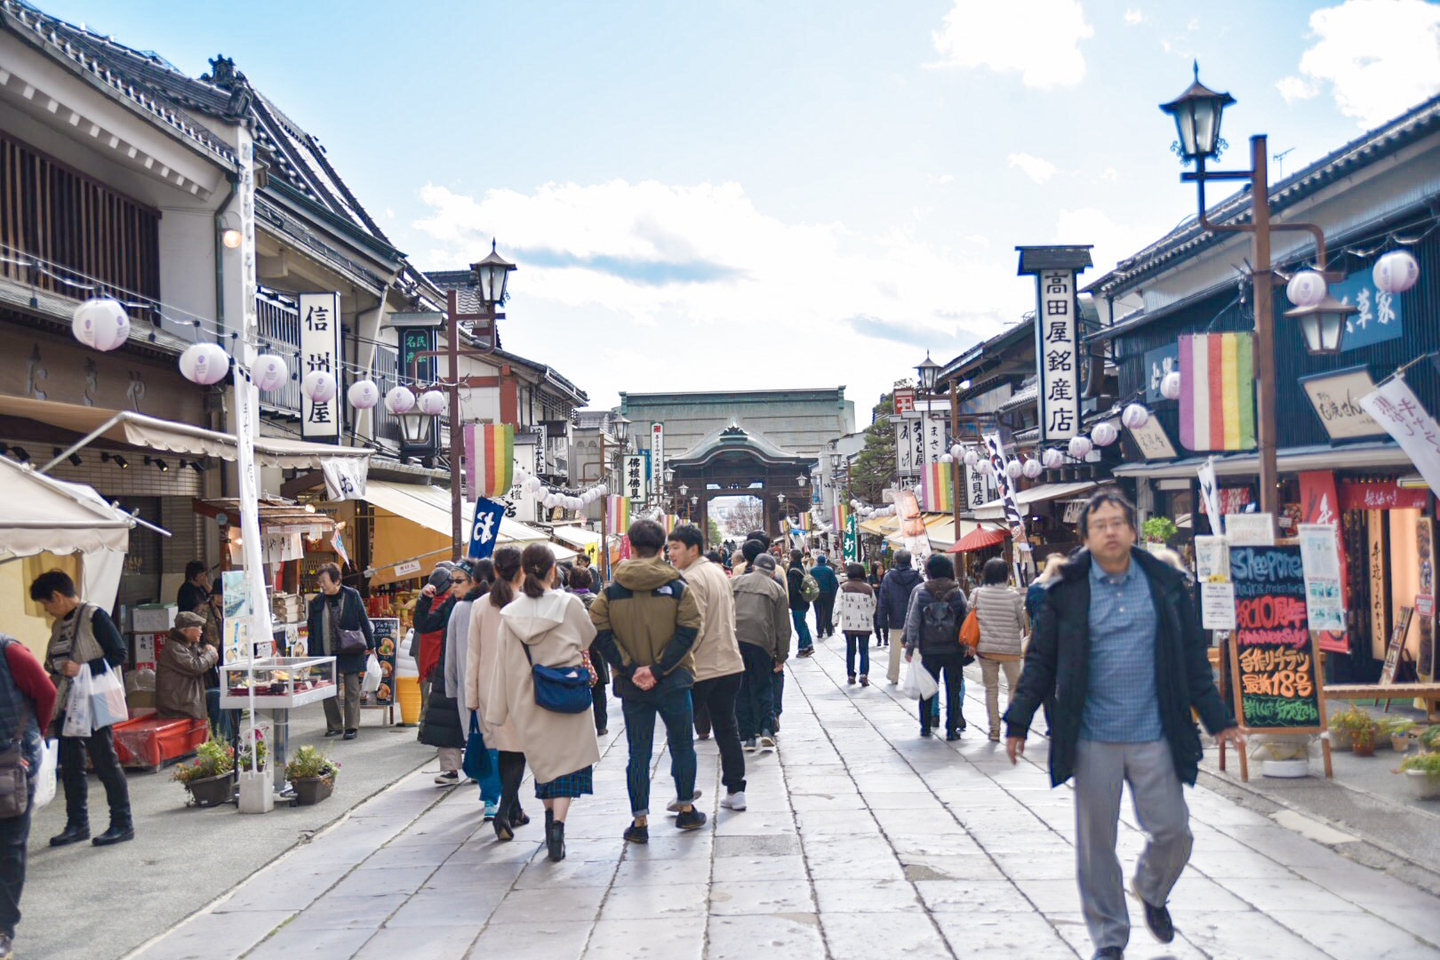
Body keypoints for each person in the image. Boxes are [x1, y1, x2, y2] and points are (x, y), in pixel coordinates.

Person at [1004, 492, 1242, 960]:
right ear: (1085, 537)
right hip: (1093, 737)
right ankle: (1109, 937)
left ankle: (1152, 888)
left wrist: (1219, 718)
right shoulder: (1066, 592)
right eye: (1100, 525)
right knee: (1097, 845)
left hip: (1155, 732)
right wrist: (1018, 720)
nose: (1110, 531)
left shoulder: (1165, 584)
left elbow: (1192, 659)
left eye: (1118, 523)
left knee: (1175, 831)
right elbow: (1042, 661)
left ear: (1133, 531)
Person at [590, 519, 706, 844]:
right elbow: (690, 629)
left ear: (631, 544)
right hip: (674, 680)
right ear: (661, 546)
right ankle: (686, 808)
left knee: (638, 753)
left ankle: (639, 821)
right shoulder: (678, 587)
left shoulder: (612, 591)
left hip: (632, 687)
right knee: (682, 745)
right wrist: (659, 668)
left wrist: (630, 668)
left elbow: (598, 630)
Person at [487, 544, 599, 861]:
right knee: (569, 765)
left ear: (523, 572)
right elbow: (587, 637)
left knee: (546, 765)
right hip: (568, 693)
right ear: (553, 571)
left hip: (529, 700)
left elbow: (501, 664)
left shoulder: (510, 614)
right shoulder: (569, 604)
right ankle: (558, 825)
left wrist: (497, 711)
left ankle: (550, 818)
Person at [30, 570, 132, 847]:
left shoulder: (94, 616)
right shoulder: (59, 625)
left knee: (105, 762)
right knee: (72, 766)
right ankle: (77, 824)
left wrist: (83, 668)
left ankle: (122, 823)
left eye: (46, 604)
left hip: (94, 700)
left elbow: (119, 653)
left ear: (57, 596)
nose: (47, 610)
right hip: (67, 704)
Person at [667, 524, 747, 811]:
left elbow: (694, 627)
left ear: (693, 549)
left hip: (702, 666)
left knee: (679, 730)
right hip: (729, 661)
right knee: (727, 727)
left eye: (676, 547)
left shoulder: (690, 578)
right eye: (669, 547)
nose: (670, 553)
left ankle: (685, 788)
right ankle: (736, 790)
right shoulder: (717, 572)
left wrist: (674, 660)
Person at [466, 547, 532, 842]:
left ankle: (515, 810)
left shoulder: (480, 605)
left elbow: (473, 654)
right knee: (517, 751)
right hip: (518, 686)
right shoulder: (527, 604)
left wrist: (471, 697)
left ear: (495, 571)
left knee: (505, 750)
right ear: (522, 571)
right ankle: (504, 812)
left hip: (487, 689)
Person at [0, 632, 56, 959]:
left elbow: (46, 693)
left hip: (11, 763)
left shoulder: (10, 651)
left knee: (9, 844)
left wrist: (33, 736)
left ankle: (3, 928)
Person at [902, 553, 969, 740]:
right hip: (954, 649)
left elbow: (914, 622)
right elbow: (966, 620)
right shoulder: (958, 593)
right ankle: (951, 729)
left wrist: (910, 647)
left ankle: (925, 726)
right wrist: (967, 645)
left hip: (929, 649)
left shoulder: (922, 592)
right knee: (953, 689)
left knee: (927, 688)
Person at [422, 565, 476, 793]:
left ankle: (477, 767)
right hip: (448, 665)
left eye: (458, 581)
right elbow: (425, 625)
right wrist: (424, 600)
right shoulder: (451, 603)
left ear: (473, 581)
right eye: (452, 581)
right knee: (445, 719)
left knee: (475, 721)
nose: (453, 586)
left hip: (474, 667)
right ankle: (450, 769)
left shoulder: (484, 604)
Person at [306, 563, 374, 740]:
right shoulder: (317, 602)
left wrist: (371, 645)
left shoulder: (352, 595)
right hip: (325, 650)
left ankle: (351, 726)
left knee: (352, 689)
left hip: (350, 648)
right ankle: (334, 725)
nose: (321, 584)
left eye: (324, 581)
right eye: (320, 581)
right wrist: (311, 656)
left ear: (336, 581)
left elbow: (363, 620)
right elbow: (311, 630)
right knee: (328, 690)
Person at [732, 552, 789, 752]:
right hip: (762, 642)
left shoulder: (734, 582)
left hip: (736, 640)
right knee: (763, 686)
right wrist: (781, 656)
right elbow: (783, 628)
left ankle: (748, 736)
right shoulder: (777, 589)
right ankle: (766, 729)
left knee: (741, 688)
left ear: (754, 567)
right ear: (772, 573)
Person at [970, 557, 1029, 743]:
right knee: (1014, 687)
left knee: (991, 689)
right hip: (1010, 649)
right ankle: (1012, 727)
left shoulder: (977, 594)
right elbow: (1021, 622)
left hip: (985, 649)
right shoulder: (1013, 596)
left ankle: (994, 730)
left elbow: (969, 617)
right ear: (1006, 574)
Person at [413, 563, 457, 726]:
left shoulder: (427, 599)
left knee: (428, 695)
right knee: (439, 697)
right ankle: (427, 724)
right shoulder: (449, 604)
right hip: (442, 658)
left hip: (425, 657)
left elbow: (420, 624)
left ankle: (424, 724)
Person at [568, 568, 610, 735]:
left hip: (575, 648)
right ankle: (601, 725)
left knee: (576, 685)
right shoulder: (597, 601)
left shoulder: (566, 601)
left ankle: (580, 727)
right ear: (590, 581)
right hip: (596, 647)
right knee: (599, 688)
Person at [155, 611, 217, 722]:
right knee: (217, 698)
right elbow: (196, 667)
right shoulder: (173, 648)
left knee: (221, 697)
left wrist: (206, 650)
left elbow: (201, 659)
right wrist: (211, 654)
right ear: (186, 630)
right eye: (198, 628)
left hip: (187, 701)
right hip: (178, 707)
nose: (201, 632)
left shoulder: (188, 645)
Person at [877, 550, 922, 683]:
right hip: (914, 620)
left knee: (895, 649)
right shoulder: (917, 577)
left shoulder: (888, 577)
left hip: (895, 618)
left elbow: (883, 600)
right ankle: (916, 677)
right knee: (916, 649)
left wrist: (881, 620)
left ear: (895, 561)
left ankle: (893, 676)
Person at [199, 584, 234, 740]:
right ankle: (221, 735)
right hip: (210, 655)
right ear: (212, 595)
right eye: (218, 595)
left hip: (229, 654)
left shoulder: (232, 608)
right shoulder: (203, 609)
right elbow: (196, 633)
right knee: (217, 692)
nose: (220, 599)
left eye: (223, 595)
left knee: (231, 693)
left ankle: (233, 733)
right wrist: (203, 647)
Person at [835, 562, 876, 685]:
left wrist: (835, 620)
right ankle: (864, 674)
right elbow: (874, 604)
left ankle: (851, 675)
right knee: (864, 650)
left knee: (850, 650)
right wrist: (869, 615)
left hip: (849, 624)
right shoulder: (868, 588)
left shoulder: (843, 587)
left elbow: (838, 604)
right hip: (865, 624)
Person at [786, 549, 814, 658]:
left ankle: (804, 648)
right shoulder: (802, 568)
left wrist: (789, 600)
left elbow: (793, 589)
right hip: (804, 601)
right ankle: (809, 646)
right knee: (803, 624)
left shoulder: (793, 571)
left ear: (792, 557)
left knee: (799, 626)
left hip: (797, 603)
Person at [809, 555, 840, 640]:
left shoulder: (812, 570)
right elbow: (833, 583)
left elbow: (810, 583)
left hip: (816, 595)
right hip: (828, 594)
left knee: (818, 613)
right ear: (825, 561)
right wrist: (834, 595)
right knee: (828, 613)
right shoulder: (829, 570)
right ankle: (829, 631)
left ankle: (820, 632)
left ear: (817, 561)